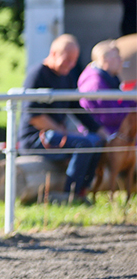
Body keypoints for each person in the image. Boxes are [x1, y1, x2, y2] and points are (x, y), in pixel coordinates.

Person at [19, 34, 110, 202]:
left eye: (74, 60)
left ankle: (83, 189)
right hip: (36, 138)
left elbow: (75, 107)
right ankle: (69, 194)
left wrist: (99, 130)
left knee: (95, 141)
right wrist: (64, 132)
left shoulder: (66, 76)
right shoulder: (37, 75)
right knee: (83, 143)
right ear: (53, 53)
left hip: (56, 134)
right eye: (67, 60)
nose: (71, 65)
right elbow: (34, 117)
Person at [77, 39, 136, 134]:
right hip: (102, 135)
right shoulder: (95, 84)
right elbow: (110, 116)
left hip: (114, 132)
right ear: (104, 59)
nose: (121, 60)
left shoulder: (109, 79)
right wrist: (131, 104)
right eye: (117, 57)